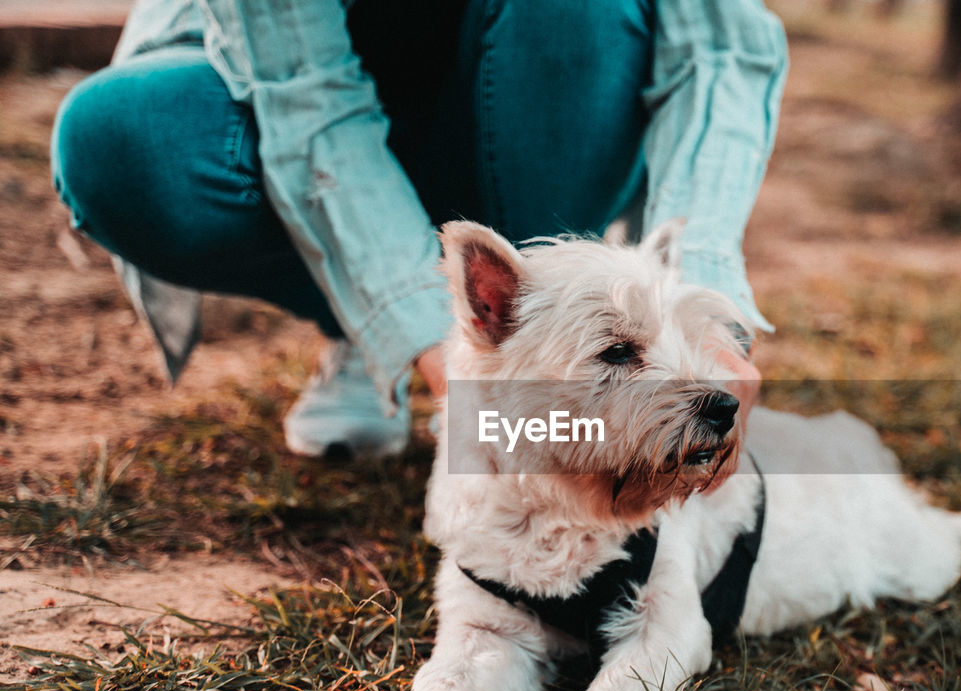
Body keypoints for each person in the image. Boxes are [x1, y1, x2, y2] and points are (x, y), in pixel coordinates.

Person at [51, 0, 786, 459]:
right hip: (287, 95)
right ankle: (381, 332)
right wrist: (438, 342)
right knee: (122, 141)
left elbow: (720, 49)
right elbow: (308, 101)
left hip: (543, 97)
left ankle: (554, 357)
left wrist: (696, 303)